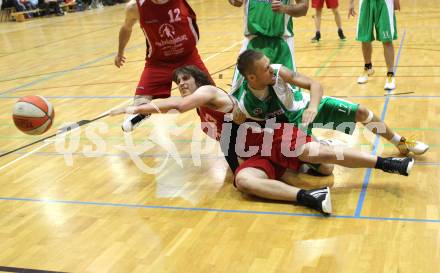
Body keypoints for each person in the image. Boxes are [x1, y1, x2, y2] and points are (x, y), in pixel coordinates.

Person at [110, 65, 416, 215]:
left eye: (185, 79)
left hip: (276, 134)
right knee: (244, 182)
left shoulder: (208, 93)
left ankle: (389, 161)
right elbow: (226, 142)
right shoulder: (202, 110)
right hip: (259, 151)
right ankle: (311, 197)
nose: (181, 85)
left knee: (317, 149)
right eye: (178, 83)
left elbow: (175, 106)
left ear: (199, 80)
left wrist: (135, 108)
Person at [231, 49, 429, 157]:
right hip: (291, 128)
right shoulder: (246, 104)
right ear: (252, 78)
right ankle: (321, 146)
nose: (272, 69)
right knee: (324, 169)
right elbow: (250, 127)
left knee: (360, 111)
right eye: (266, 69)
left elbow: (314, 84)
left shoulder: (279, 71)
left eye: (270, 65)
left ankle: (401, 142)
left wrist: (313, 107)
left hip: (306, 108)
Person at [114, 0, 213, 132]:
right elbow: (126, 27)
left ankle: (219, 127)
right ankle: (143, 113)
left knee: (212, 97)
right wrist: (120, 52)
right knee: (137, 107)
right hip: (158, 62)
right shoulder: (134, 7)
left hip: (188, 57)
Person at [228, 0, 308, 88]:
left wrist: (284, 8)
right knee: (240, 93)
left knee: (289, 93)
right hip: (252, 42)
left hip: (282, 44)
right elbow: (236, 2)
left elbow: (304, 8)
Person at [348, 0, 400, 90]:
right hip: (365, 2)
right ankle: (368, 67)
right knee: (364, 37)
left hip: (384, 2)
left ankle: (390, 75)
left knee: (387, 39)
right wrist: (351, 2)